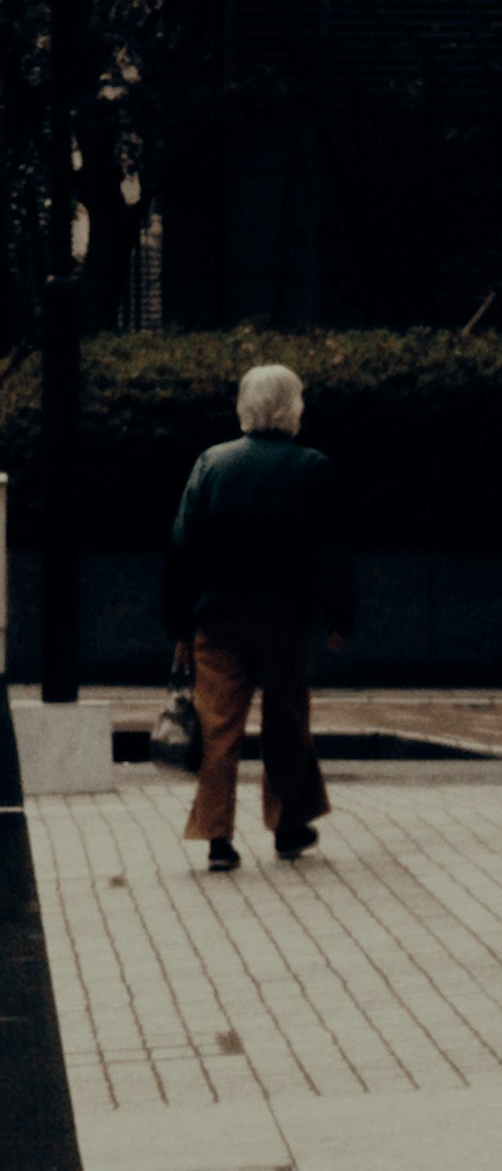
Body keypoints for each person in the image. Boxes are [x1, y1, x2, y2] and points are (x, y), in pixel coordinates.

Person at [162, 361, 352, 872]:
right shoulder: (312, 468)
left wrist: (180, 625)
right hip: (284, 619)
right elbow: (330, 552)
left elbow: (183, 548)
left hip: (217, 617)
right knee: (286, 721)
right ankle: (289, 827)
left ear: (244, 406)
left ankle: (216, 837)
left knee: (218, 727)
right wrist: (338, 617)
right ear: (293, 408)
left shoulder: (211, 464)